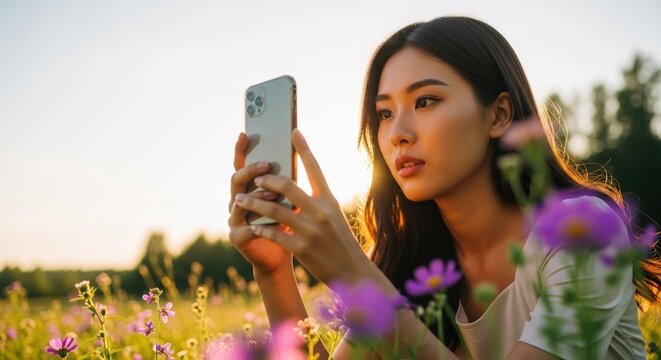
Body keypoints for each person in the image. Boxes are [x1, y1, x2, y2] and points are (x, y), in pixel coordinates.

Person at [228, 16, 659, 359]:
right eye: (383, 113)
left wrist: (354, 275)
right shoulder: (417, 267)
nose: (398, 133)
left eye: (425, 101)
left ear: (499, 115)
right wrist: (275, 273)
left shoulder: (584, 232)